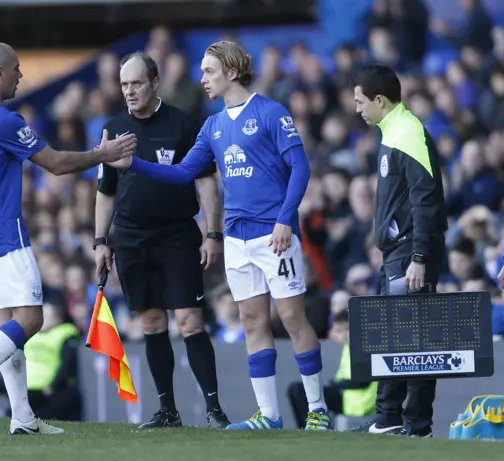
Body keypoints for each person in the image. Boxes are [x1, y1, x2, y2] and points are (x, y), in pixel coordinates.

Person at [108, 41, 331, 431]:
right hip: (237, 238)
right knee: (251, 322)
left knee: (294, 319)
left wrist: (284, 220)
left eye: (209, 71)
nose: (202, 79)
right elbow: (183, 174)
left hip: (274, 234)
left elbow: (300, 169)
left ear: (230, 72)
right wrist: (134, 164)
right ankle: (270, 415)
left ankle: (317, 409)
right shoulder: (213, 125)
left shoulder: (270, 113)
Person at [0, 42, 136, 436]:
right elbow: (57, 164)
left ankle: (22, 417)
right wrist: (102, 153)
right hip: (1, 233)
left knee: (8, 323)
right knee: (30, 319)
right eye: (16, 69)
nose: (21, 76)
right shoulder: (2, 120)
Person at [94, 51, 230, 429]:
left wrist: (213, 232)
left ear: (155, 83)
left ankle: (214, 409)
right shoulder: (115, 127)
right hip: (132, 239)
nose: (129, 91)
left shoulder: (184, 124)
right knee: (152, 323)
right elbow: (105, 190)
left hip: (176, 235)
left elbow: (206, 182)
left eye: (136, 83)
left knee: (189, 321)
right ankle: (167, 410)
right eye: (124, 84)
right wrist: (100, 240)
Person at [351, 65, 447, 437]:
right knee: (393, 335)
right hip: (399, 252)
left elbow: (426, 202)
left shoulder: (408, 134)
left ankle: (417, 423)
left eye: (360, 101)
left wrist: (420, 257)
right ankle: (388, 418)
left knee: (416, 339)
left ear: (379, 100)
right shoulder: (393, 131)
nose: (357, 108)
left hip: (410, 255)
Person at [287, 310, 377, 429]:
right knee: (296, 389)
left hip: (360, 403)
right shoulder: (348, 347)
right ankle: (306, 427)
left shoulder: (365, 347)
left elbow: (362, 380)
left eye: (346, 329)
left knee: (299, 390)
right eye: (338, 330)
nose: (343, 334)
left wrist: (338, 384)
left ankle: (314, 427)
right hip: (348, 397)